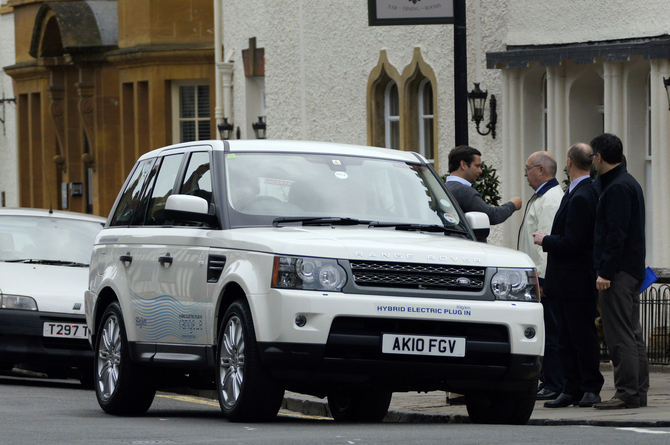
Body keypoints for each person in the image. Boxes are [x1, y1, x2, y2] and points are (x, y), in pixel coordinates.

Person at [532, 143, 604, 408]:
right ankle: (571, 387)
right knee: (566, 338)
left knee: (582, 337)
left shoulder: (583, 194)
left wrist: (545, 240)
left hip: (576, 281)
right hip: (565, 281)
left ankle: (589, 388)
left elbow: (574, 242)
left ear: (570, 162)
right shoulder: (577, 191)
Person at [590, 133, 649, 410]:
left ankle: (626, 392)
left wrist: (605, 271)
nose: (592, 161)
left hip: (618, 272)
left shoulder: (616, 188)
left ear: (599, 157)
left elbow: (616, 234)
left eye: (593, 156)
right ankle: (637, 391)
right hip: (631, 269)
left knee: (619, 334)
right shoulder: (629, 183)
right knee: (632, 333)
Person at [517, 150, 565, 401]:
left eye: (528, 169)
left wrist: (543, 280)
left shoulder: (550, 200)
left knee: (551, 333)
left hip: (543, 280)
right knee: (546, 331)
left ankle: (555, 383)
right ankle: (549, 380)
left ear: (541, 170)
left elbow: (545, 243)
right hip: (536, 278)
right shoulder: (542, 197)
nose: (525, 174)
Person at [446, 146, 522, 224]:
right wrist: (513, 204)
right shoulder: (464, 191)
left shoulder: (444, 188)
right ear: (464, 165)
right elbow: (492, 215)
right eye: (477, 166)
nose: (480, 171)